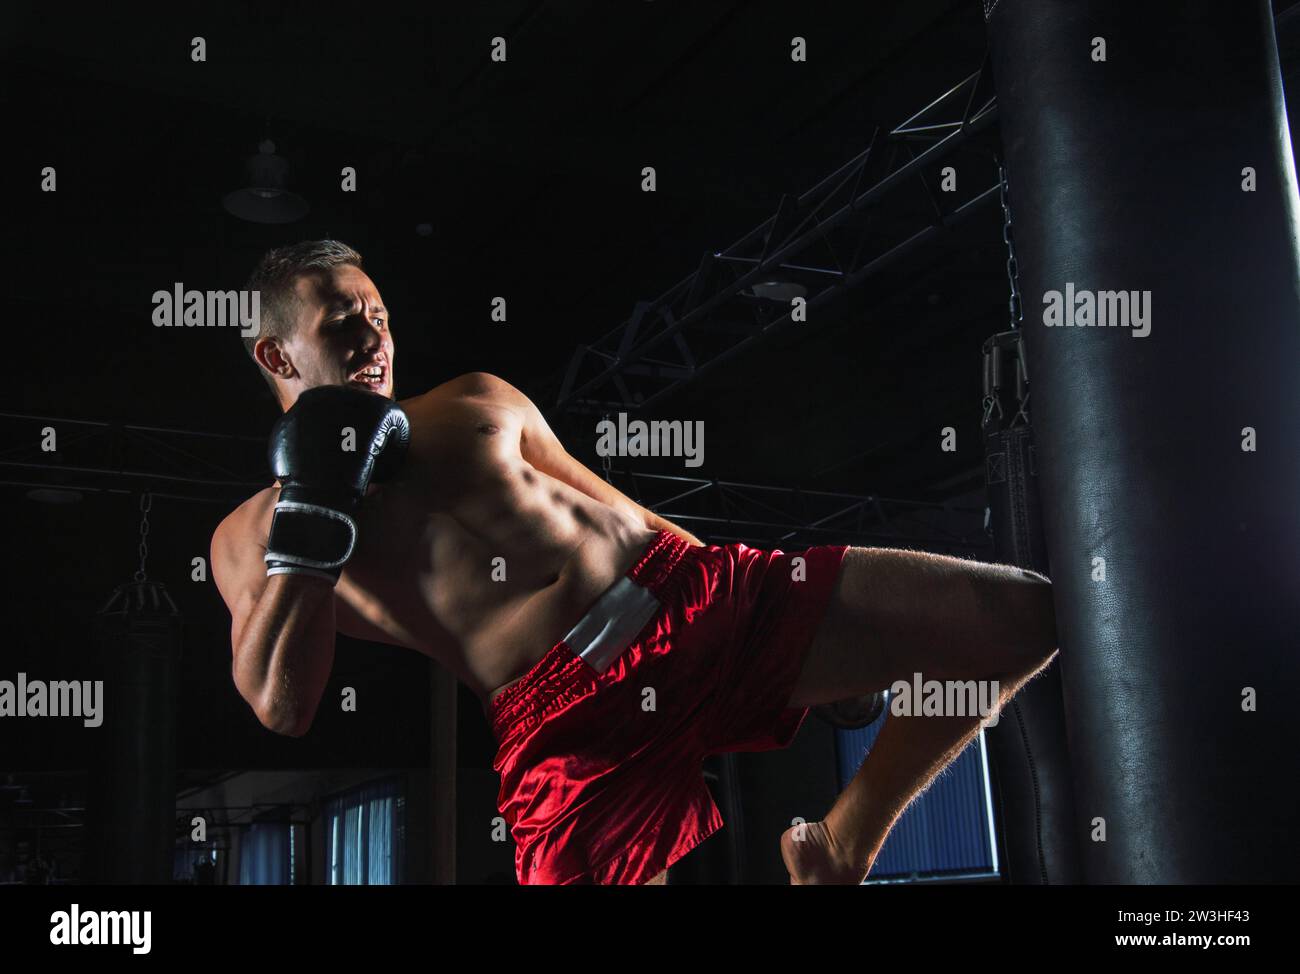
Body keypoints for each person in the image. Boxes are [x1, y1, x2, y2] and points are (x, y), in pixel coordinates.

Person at [211, 240, 1059, 885]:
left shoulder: (475, 397)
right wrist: (312, 509)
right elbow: (281, 705)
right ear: (276, 356)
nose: (373, 342)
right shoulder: (250, 532)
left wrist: (771, 598)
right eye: (340, 325)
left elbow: (622, 508)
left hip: (693, 599)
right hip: (566, 732)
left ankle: (845, 844)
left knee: (1021, 617)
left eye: (379, 317)